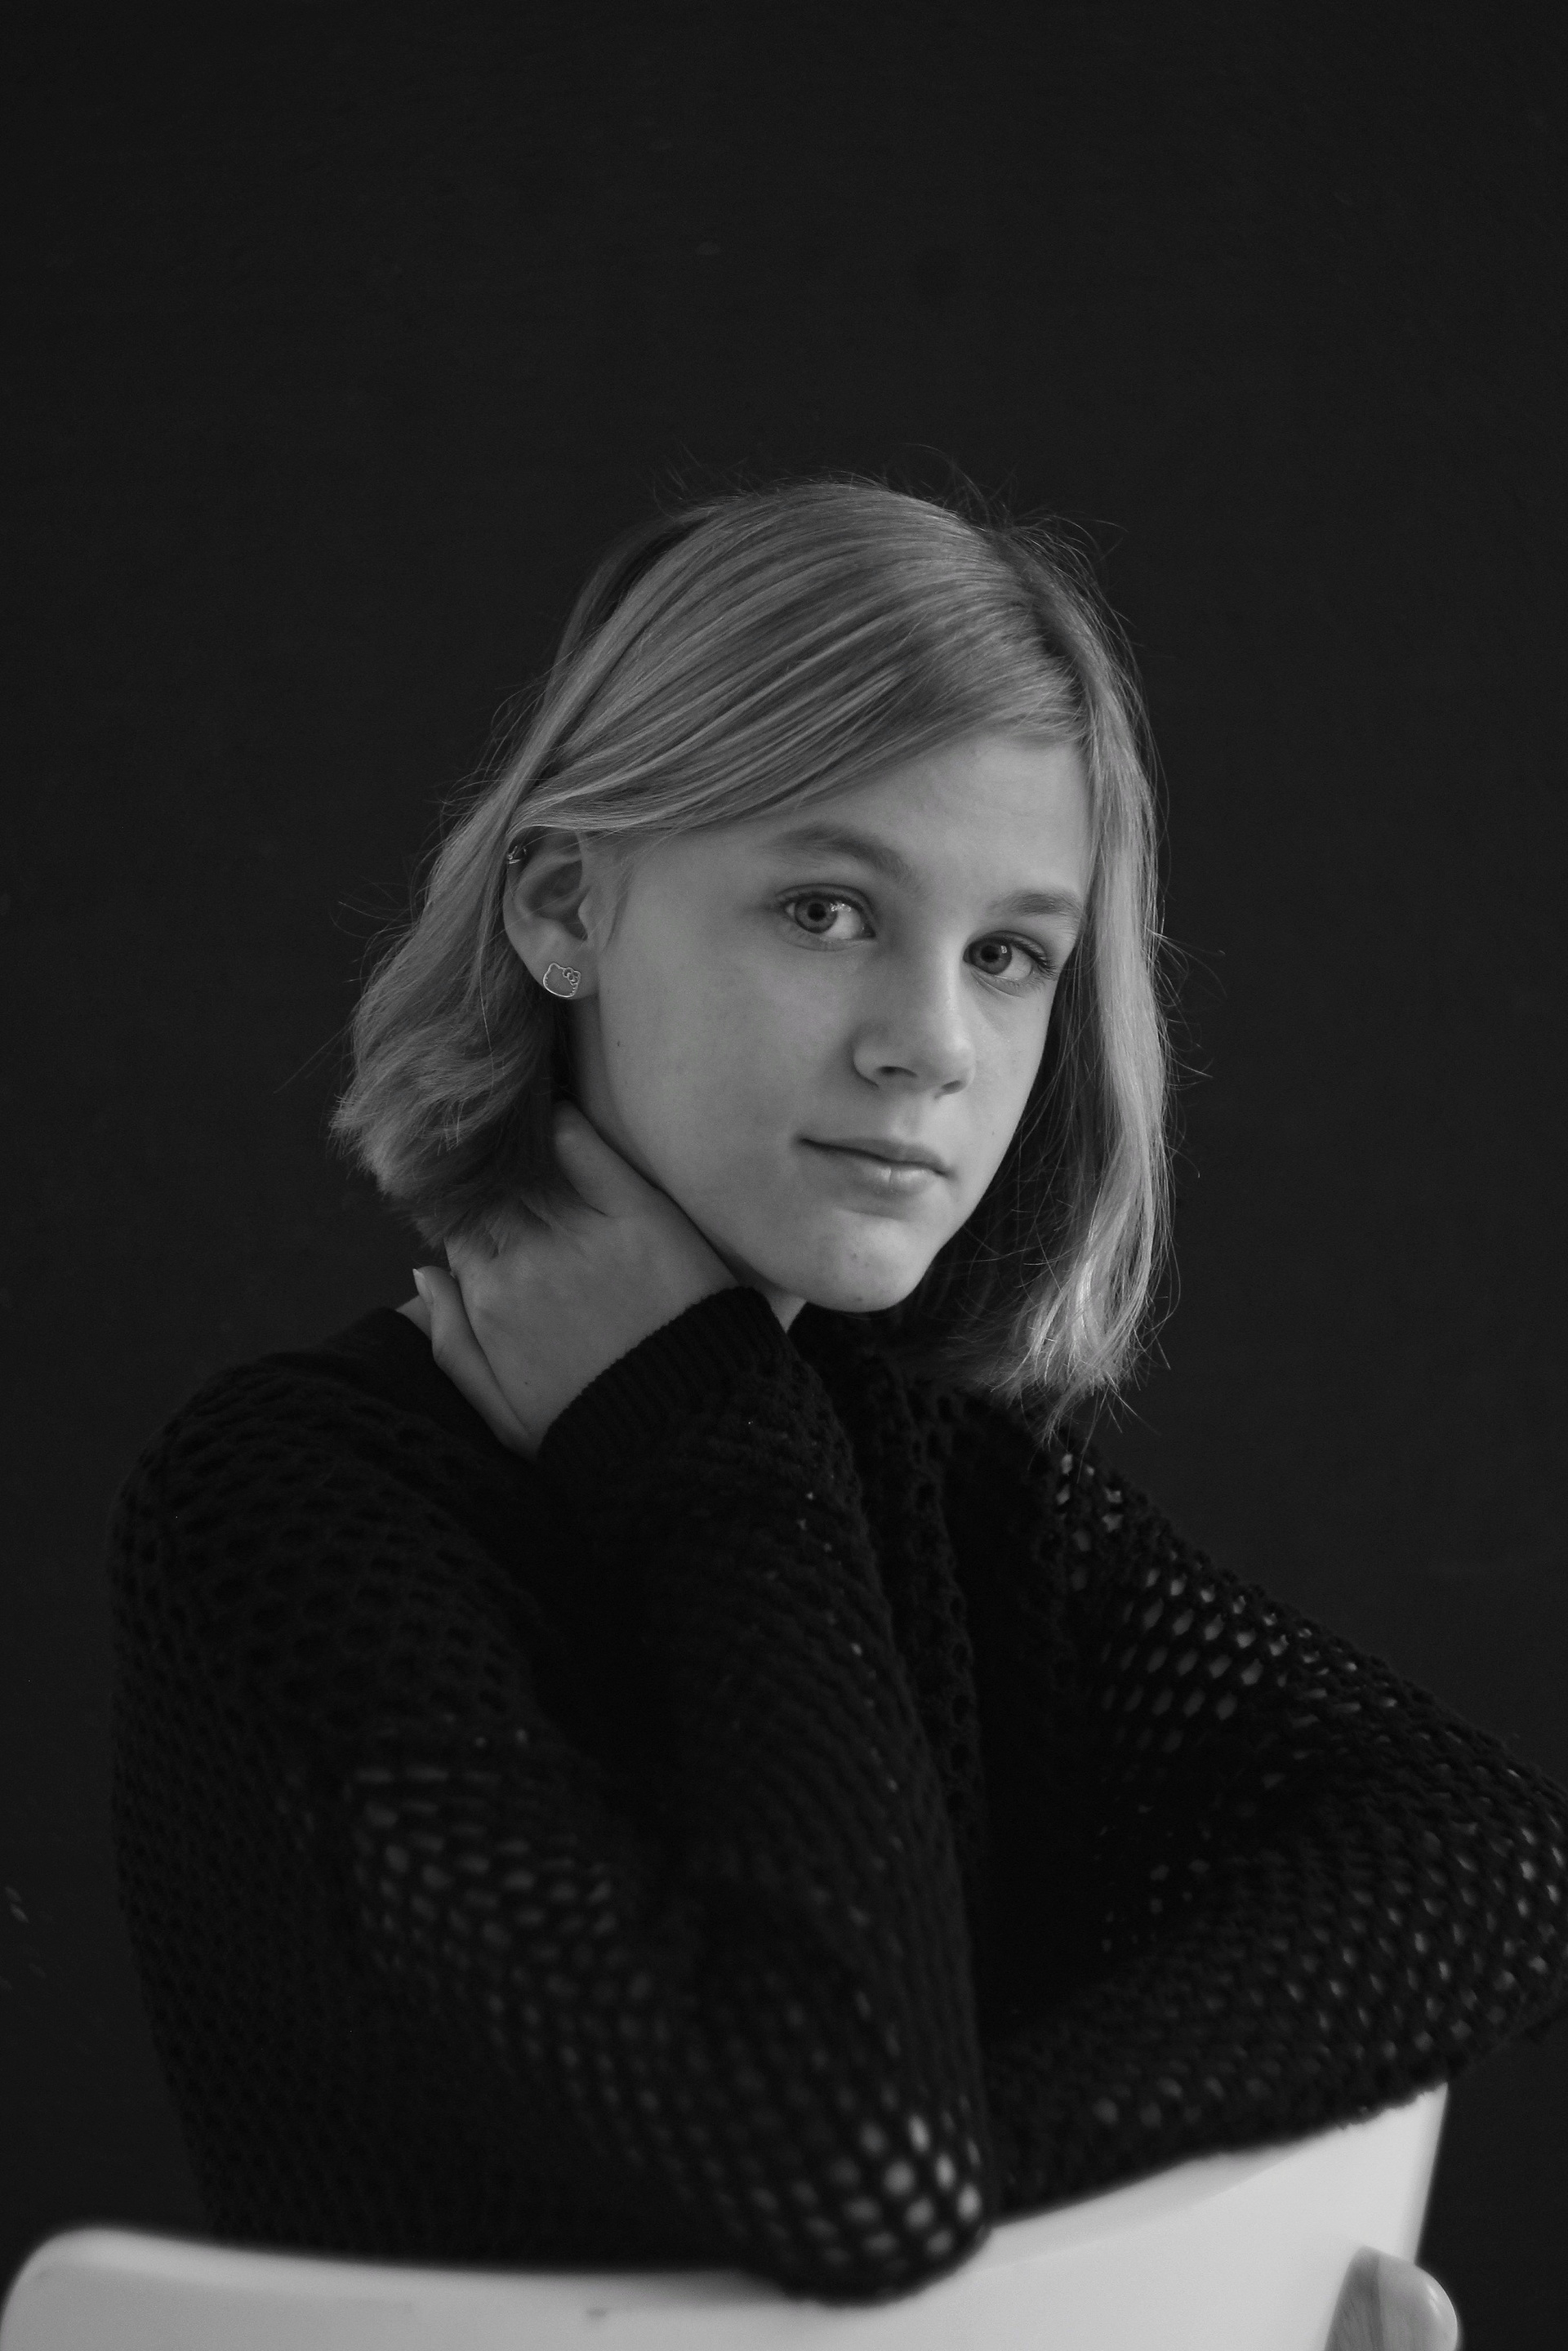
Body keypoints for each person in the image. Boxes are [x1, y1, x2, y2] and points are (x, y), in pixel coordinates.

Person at [107, 472, 1561, 2340]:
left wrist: (1041, 2259)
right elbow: (854, 2159)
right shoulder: (289, 1507)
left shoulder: (937, 1474)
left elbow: (1493, 1857)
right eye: (824, 908)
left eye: (1009, 954)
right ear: (562, 905)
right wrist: (695, 1434)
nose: (932, 1044)